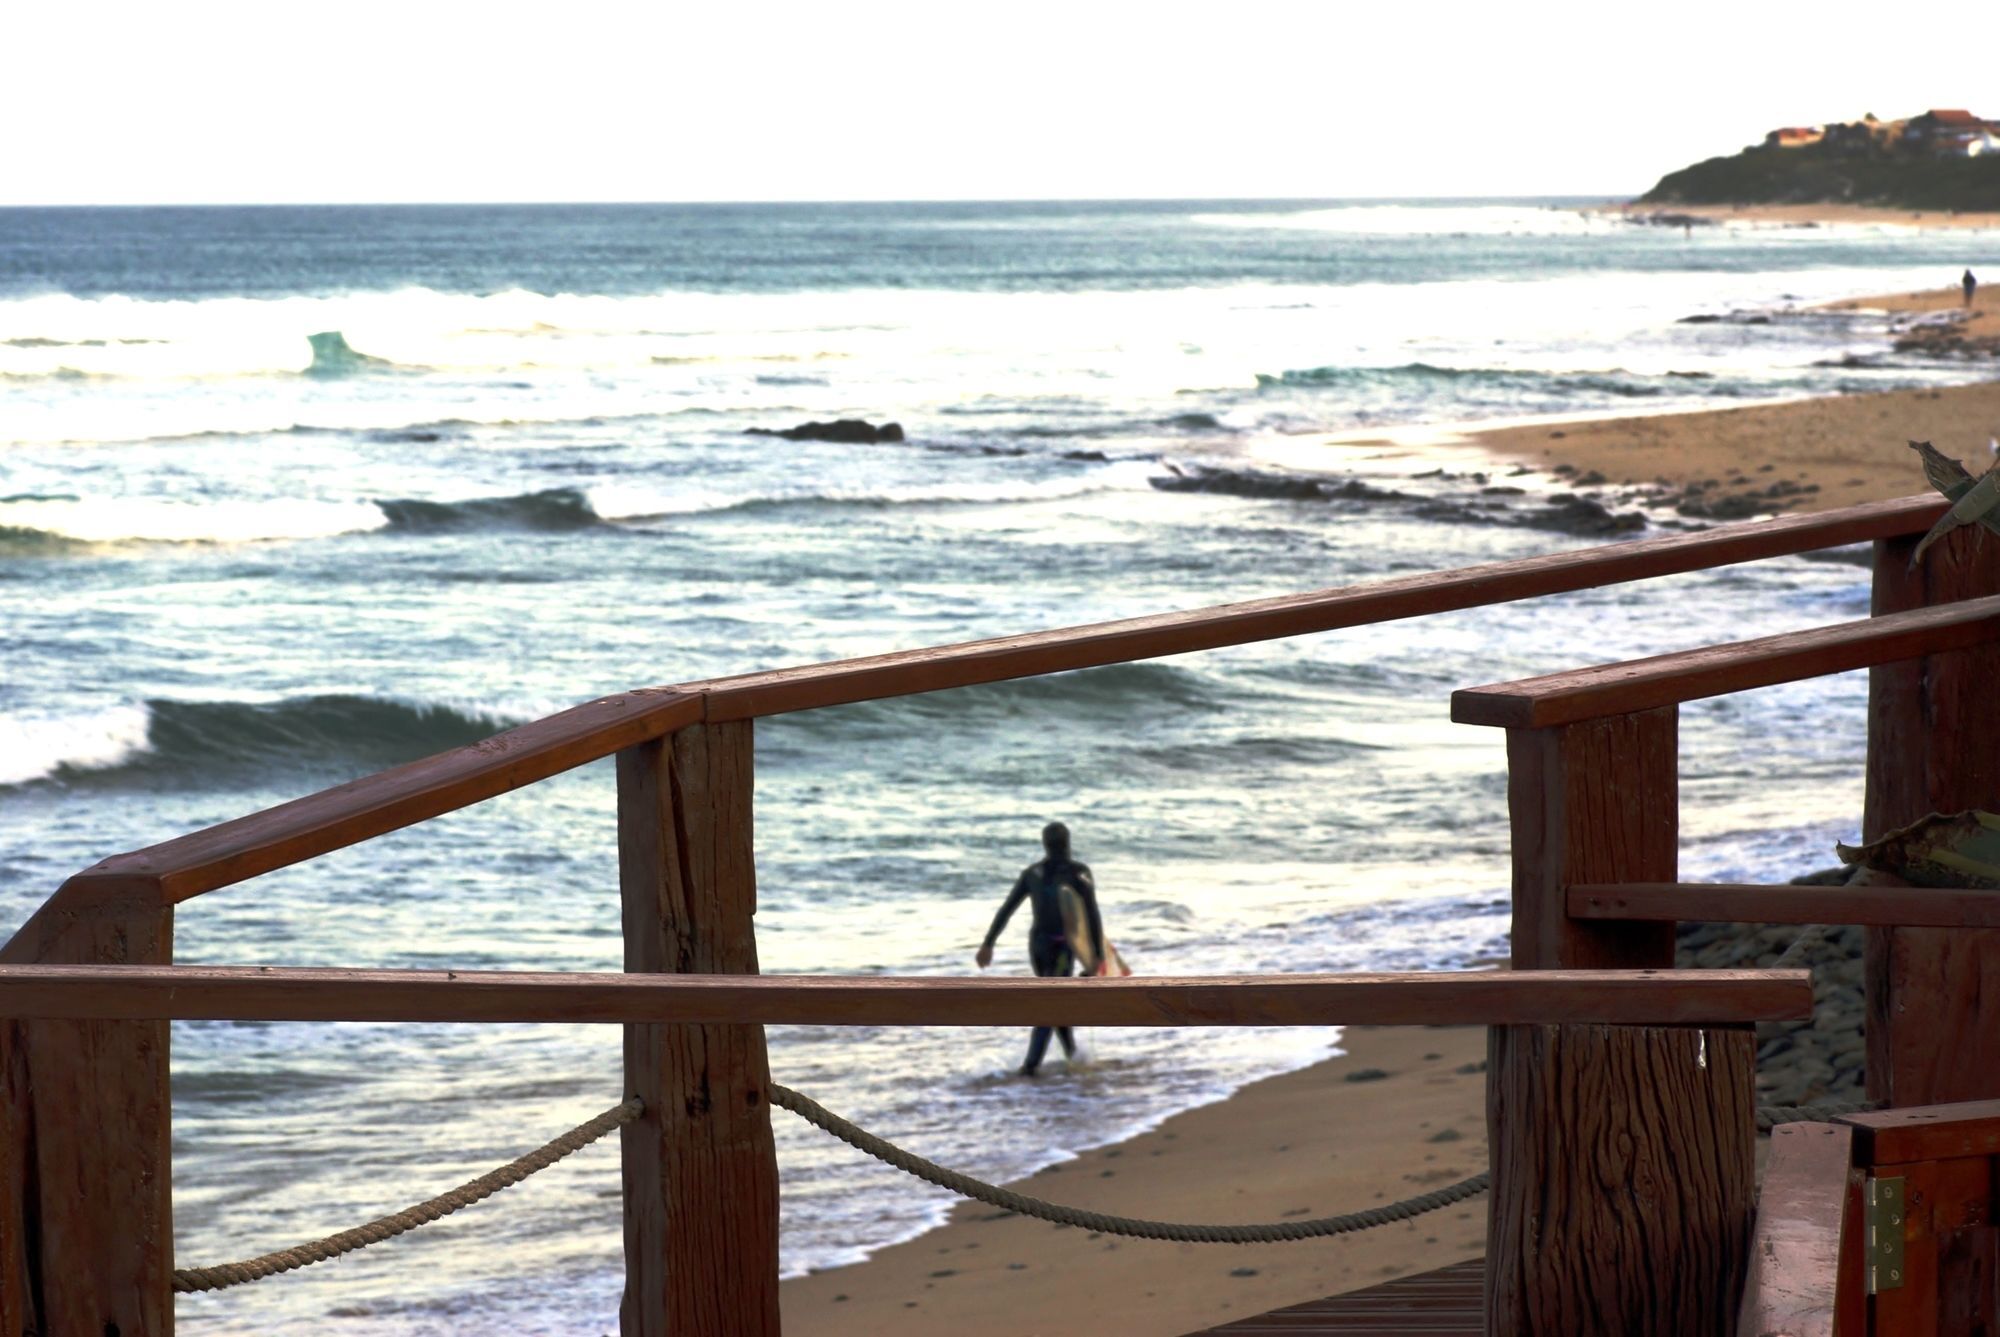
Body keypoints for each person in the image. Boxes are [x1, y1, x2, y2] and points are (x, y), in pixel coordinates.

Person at [975, 821, 1105, 1076]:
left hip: (1038, 945)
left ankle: (1067, 1057)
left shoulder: (1033, 873)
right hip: (1062, 946)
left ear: (1044, 844)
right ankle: (1032, 1067)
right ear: (1068, 843)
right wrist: (1097, 955)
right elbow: (1091, 914)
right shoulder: (1080, 873)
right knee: (1053, 1002)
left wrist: (988, 943)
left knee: (1053, 999)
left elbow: (1007, 909)